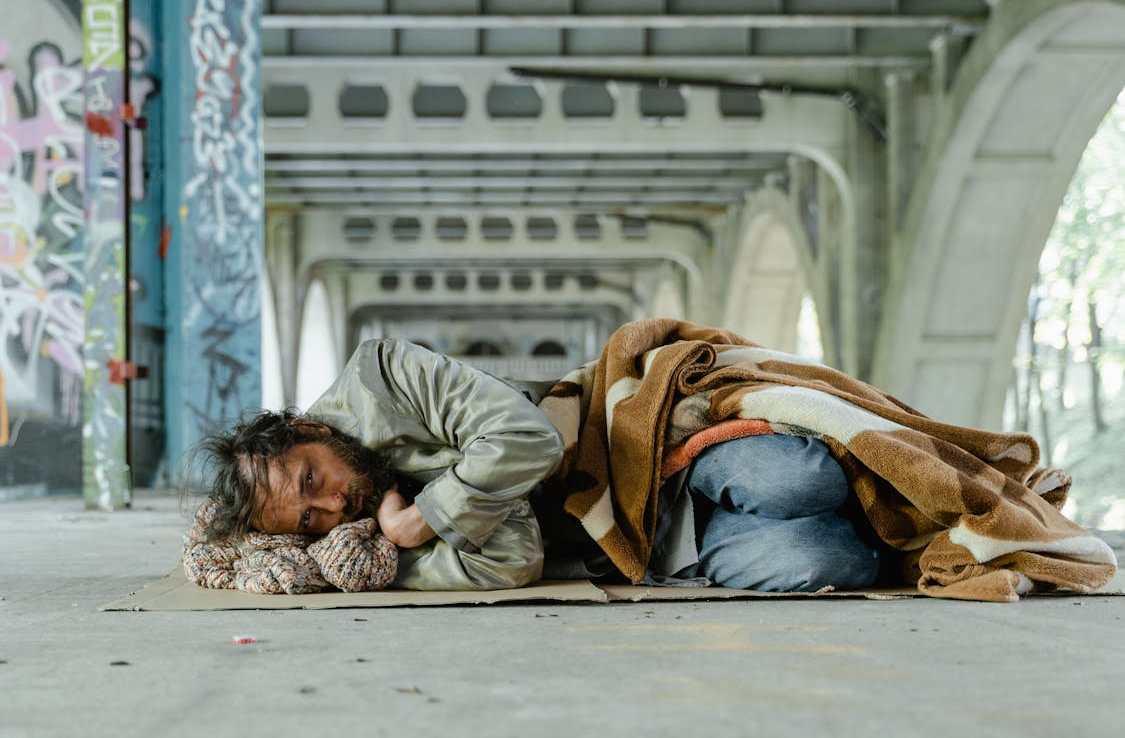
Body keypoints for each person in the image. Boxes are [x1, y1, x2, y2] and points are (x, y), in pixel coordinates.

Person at [186, 319, 1116, 601]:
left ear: (303, 430)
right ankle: (900, 534)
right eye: (308, 521)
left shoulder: (385, 375)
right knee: (821, 561)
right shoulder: (372, 554)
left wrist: (428, 513)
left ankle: (896, 493)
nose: (331, 504)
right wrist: (395, 545)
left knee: (804, 479)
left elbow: (522, 439)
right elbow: (511, 560)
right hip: (639, 545)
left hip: (642, 452)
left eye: (312, 478)